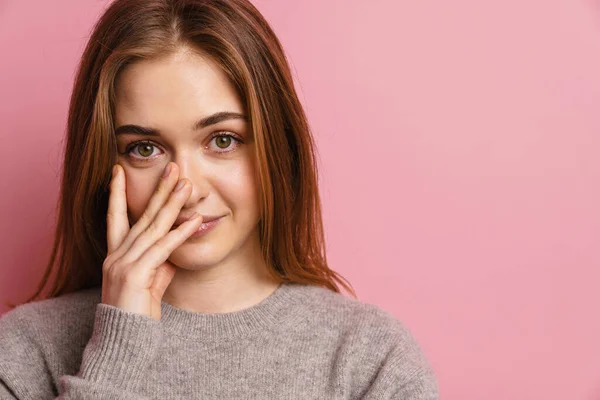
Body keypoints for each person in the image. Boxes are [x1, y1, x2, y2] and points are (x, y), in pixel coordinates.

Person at [0, 0, 439, 398]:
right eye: (145, 148)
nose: (186, 189)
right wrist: (117, 354)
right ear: (102, 165)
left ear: (276, 146)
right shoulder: (25, 352)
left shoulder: (372, 360)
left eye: (223, 140)